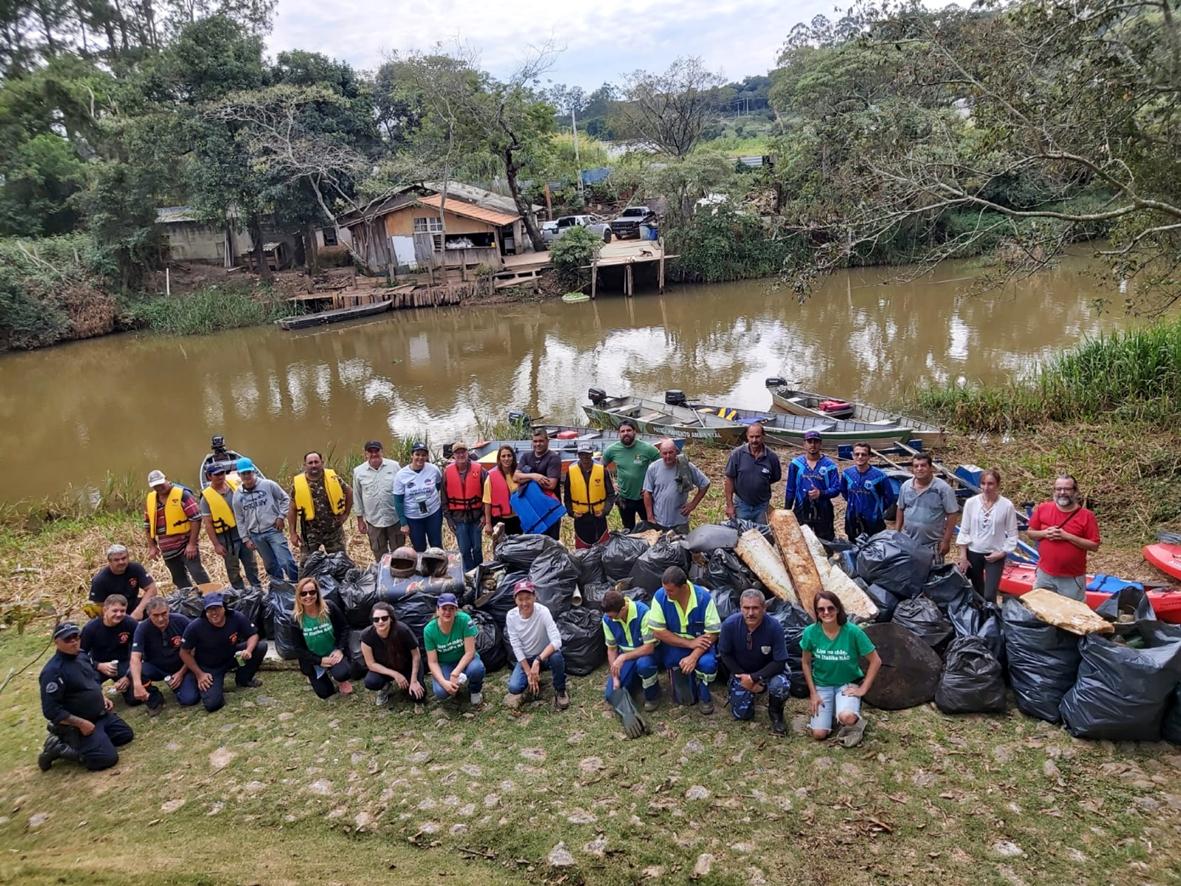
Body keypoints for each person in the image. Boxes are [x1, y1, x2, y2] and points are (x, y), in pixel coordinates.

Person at [37, 621, 134, 772]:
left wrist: (102, 697)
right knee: (107, 759)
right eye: (68, 639)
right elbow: (51, 710)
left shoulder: (82, 655)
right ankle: (60, 747)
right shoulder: (53, 672)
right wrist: (81, 724)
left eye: (76, 637)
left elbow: (92, 681)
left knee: (125, 735)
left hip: (100, 715)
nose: (74, 642)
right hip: (79, 724)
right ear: (57, 642)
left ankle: (96, 741)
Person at [800, 590, 882, 746]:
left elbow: (876, 661)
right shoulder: (810, 633)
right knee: (819, 734)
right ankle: (832, 710)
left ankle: (850, 714)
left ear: (838, 609)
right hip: (822, 686)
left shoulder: (852, 632)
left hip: (846, 685)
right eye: (821, 609)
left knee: (847, 718)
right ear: (816, 612)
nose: (826, 612)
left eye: (830, 608)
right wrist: (813, 693)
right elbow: (805, 663)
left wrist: (863, 689)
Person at [644, 566, 721, 714]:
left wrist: (693, 656)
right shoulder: (660, 597)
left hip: (702, 646)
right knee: (673, 664)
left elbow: (713, 633)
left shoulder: (703, 598)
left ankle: (704, 695)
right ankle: (683, 688)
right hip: (677, 645)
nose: (666, 593)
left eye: (670, 591)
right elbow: (658, 632)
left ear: (684, 587)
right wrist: (689, 643)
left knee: (707, 664)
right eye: (664, 589)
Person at [179, 593, 267, 713]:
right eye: (209, 610)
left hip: (231, 656)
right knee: (212, 705)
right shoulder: (195, 627)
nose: (214, 613)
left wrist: (248, 650)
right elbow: (184, 653)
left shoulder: (236, 616)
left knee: (260, 647)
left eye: (217, 608)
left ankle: (244, 679)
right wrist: (200, 674)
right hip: (210, 667)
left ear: (224, 608)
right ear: (205, 612)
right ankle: (199, 683)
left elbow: (253, 634)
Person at [717, 589, 790, 735]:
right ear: (740, 607)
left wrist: (754, 678)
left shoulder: (774, 627)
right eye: (746, 608)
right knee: (742, 715)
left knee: (780, 685)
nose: (750, 613)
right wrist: (742, 676)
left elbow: (780, 661)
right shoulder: (729, 625)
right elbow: (724, 654)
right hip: (741, 673)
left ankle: (776, 713)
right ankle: (752, 691)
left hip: (768, 672)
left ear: (764, 608)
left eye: (755, 608)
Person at [1026, 474, 1101, 601]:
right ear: (1054, 490)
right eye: (1058, 489)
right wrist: (1045, 533)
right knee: (1040, 612)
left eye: (1067, 489)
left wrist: (1067, 536)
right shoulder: (1043, 508)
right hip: (1044, 575)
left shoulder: (1087, 516)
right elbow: (1030, 533)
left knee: (1071, 616)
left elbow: (1094, 546)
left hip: (1071, 578)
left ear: (1075, 491)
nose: (1062, 492)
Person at [955, 468, 1019, 602]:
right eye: (983, 483)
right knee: (978, 592)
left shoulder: (1006, 505)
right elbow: (964, 529)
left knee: (990, 594)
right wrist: (963, 556)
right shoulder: (971, 503)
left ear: (997, 484)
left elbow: (1013, 534)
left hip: (995, 554)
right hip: (974, 552)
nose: (986, 487)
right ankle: (981, 620)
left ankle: (992, 619)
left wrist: (1002, 552)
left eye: (990, 484)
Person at [80, 594, 153, 708]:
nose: (119, 614)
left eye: (122, 611)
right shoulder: (91, 628)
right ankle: (98, 697)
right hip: (98, 665)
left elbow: (140, 651)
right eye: (115, 611)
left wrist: (128, 675)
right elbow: (79, 654)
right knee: (88, 695)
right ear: (105, 610)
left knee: (134, 699)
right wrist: (98, 665)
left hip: (123, 663)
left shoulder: (130, 623)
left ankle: (123, 686)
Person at [505, 580, 568, 710]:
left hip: (544, 656)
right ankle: (533, 677)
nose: (524, 603)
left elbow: (557, 640)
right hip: (527, 658)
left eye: (528, 598)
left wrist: (538, 660)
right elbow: (516, 646)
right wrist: (528, 671)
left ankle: (560, 690)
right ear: (515, 600)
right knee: (514, 687)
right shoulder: (511, 616)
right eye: (520, 599)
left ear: (534, 597)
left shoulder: (543, 611)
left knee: (556, 656)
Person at [233, 458, 299, 582]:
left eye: (249, 472)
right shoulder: (238, 495)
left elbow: (286, 499)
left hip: (273, 530)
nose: (247, 476)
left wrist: (281, 516)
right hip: (255, 535)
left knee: (286, 561)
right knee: (270, 565)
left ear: (254, 472)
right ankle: (280, 589)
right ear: (239, 475)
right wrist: (245, 538)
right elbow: (239, 518)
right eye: (243, 473)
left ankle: (297, 584)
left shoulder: (268, 485)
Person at [144, 469, 211, 588]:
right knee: (178, 578)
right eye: (156, 486)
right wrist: (152, 546)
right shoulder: (151, 500)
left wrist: (192, 544)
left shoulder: (183, 495)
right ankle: (189, 600)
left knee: (197, 573)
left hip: (185, 545)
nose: (159, 487)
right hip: (167, 549)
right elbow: (148, 525)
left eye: (161, 484)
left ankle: (212, 598)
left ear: (166, 479)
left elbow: (195, 518)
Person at [130, 597, 199, 710]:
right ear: (149, 614)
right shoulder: (142, 628)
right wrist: (137, 684)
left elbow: (194, 649)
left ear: (169, 610)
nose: (161, 619)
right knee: (134, 671)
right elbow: (135, 657)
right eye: (156, 615)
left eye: (164, 614)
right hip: (157, 667)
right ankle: (154, 699)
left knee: (189, 700)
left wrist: (181, 673)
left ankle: (186, 683)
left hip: (183, 666)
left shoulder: (181, 621)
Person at [291, 577, 355, 699]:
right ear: (298, 596)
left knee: (343, 674)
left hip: (333, 653)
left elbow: (345, 628)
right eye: (303, 593)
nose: (308, 596)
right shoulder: (295, 619)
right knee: (325, 693)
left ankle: (340, 678)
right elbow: (298, 648)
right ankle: (316, 674)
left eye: (312, 592)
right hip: (314, 659)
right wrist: (319, 660)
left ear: (317, 593)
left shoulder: (329, 607)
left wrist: (339, 649)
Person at [199, 463, 260, 590]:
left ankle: (257, 588)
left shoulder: (234, 487)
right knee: (233, 569)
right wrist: (216, 544)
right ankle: (239, 591)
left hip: (243, 534)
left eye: (222, 473)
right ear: (209, 476)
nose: (221, 476)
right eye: (217, 474)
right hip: (226, 539)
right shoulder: (206, 498)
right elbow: (208, 524)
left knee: (251, 564)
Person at [289, 451, 353, 564]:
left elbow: (349, 492)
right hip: (310, 532)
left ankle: (341, 581)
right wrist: (293, 533)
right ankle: (308, 581)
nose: (313, 465)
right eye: (310, 463)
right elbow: (292, 509)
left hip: (334, 531)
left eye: (316, 462)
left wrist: (346, 514)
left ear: (322, 463)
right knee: (306, 564)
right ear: (305, 465)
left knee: (340, 562)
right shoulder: (298, 484)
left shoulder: (333, 478)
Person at [600, 589, 659, 710]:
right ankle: (636, 680)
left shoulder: (643, 613)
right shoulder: (607, 619)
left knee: (644, 665)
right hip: (628, 658)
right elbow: (611, 649)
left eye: (612, 616)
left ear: (622, 610)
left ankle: (652, 695)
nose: (610, 619)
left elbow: (649, 648)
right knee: (611, 694)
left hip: (646, 654)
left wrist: (623, 657)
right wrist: (615, 676)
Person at [423, 593, 485, 705]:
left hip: (466, 659)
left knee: (477, 669)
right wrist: (443, 682)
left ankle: (475, 690)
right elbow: (432, 662)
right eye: (444, 608)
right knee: (441, 692)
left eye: (451, 609)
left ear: (456, 610)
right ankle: (454, 686)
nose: (447, 612)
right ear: (437, 610)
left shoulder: (465, 620)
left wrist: (455, 673)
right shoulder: (429, 630)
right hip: (445, 663)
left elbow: (470, 652)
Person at [897, 453, 960, 564]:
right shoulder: (906, 486)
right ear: (912, 469)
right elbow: (900, 508)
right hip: (908, 541)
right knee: (909, 574)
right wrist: (897, 533)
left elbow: (952, 514)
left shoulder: (943, 489)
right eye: (916, 466)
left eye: (923, 465)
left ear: (931, 468)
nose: (919, 469)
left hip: (933, 544)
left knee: (934, 575)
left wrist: (946, 541)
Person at [360, 602, 424, 706]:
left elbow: (416, 655)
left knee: (418, 696)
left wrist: (414, 680)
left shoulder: (403, 630)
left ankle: (410, 682)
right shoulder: (366, 636)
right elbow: (371, 664)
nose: (380, 622)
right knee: (371, 682)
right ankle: (385, 687)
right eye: (376, 619)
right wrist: (395, 674)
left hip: (407, 665)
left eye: (384, 618)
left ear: (391, 618)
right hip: (386, 667)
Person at [642, 439, 710, 534]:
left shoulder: (685, 466)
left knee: (682, 547)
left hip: (680, 522)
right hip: (659, 521)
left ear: (676, 452)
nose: (668, 456)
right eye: (664, 453)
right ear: (660, 453)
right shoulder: (653, 468)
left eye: (671, 452)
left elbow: (705, 484)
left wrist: (692, 505)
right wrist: (650, 517)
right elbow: (647, 493)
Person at [603, 421, 661, 531]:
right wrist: (611, 484)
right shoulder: (612, 450)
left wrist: (652, 486)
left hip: (644, 497)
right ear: (619, 434)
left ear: (635, 432)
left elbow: (661, 466)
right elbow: (600, 467)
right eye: (622, 431)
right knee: (628, 529)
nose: (626, 433)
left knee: (651, 527)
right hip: (624, 498)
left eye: (629, 430)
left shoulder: (647, 448)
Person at [353, 440, 405, 563]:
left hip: (394, 519)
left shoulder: (395, 466)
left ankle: (401, 574)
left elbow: (403, 490)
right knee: (379, 554)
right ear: (365, 454)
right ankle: (383, 576)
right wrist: (360, 520)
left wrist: (405, 518)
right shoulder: (358, 471)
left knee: (399, 552)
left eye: (377, 451)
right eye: (370, 451)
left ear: (382, 452)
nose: (374, 454)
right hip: (373, 520)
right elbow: (357, 496)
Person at [785, 430, 841, 540]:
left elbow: (836, 489)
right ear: (804, 444)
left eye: (816, 442)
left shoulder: (830, 466)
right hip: (801, 507)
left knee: (826, 540)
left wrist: (821, 493)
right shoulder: (796, 464)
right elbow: (790, 488)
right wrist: (787, 510)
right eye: (809, 441)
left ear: (820, 444)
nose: (813, 445)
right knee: (801, 540)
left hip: (823, 509)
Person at [724, 423, 782, 525]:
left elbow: (775, 477)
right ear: (747, 436)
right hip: (742, 505)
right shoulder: (737, 454)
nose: (754, 440)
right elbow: (729, 479)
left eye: (758, 437)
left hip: (762, 506)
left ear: (763, 436)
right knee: (741, 535)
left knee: (762, 536)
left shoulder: (772, 457)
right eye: (751, 437)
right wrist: (730, 505)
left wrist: (759, 482)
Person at [442, 441, 486, 572]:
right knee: (464, 549)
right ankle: (469, 574)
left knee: (477, 548)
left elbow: (487, 494)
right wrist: (449, 519)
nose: (461, 455)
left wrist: (485, 515)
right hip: (458, 519)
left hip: (476, 517)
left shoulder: (480, 470)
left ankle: (480, 571)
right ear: (453, 455)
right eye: (457, 452)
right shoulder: (447, 473)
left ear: (468, 453)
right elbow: (443, 498)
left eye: (463, 451)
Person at [563, 443, 616, 548]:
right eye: (582, 454)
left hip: (599, 516)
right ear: (578, 455)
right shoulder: (571, 471)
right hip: (581, 517)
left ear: (591, 454)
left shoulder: (601, 470)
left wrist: (605, 510)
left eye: (587, 454)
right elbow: (567, 497)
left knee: (602, 546)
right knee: (583, 548)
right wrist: (571, 512)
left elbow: (611, 494)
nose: (585, 457)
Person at [840, 443, 896, 541]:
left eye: (863, 454)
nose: (860, 457)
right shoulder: (846, 473)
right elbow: (844, 492)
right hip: (852, 517)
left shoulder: (880, 476)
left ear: (869, 456)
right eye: (857, 454)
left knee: (874, 548)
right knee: (853, 544)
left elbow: (889, 497)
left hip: (873, 519)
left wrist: (878, 508)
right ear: (853, 455)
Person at [394, 442, 444, 552]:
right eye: (417, 454)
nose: (420, 458)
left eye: (423, 455)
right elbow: (398, 501)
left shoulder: (433, 469)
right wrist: (403, 523)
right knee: (419, 547)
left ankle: (439, 567)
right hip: (413, 517)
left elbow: (438, 485)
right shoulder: (401, 475)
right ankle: (423, 567)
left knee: (436, 544)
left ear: (426, 456)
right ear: (412, 455)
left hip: (433, 514)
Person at [515, 429, 563, 540]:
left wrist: (525, 477)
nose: (538, 444)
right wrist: (534, 476)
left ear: (547, 441)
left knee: (551, 543)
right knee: (533, 543)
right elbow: (516, 477)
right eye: (535, 441)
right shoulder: (526, 457)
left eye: (541, 441)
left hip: (549, 508)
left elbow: (551, 484)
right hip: (530, 508)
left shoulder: (553, 458)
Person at [89, 544, 157, 620]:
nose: (121, 562)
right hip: (113, 610)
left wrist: (139, 610)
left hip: (133, 605)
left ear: (128, 557)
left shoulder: (136, 568)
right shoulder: (100, 579)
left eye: (124, 558)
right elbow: (98, 606)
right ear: (109, 561)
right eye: (117, 560)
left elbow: (152, 589)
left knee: (155, 604)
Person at [483, 445, 522, 538]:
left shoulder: (520, 474)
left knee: (518, 549)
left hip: (518, 519)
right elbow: (487, 502)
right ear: (499, 459)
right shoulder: (491, 477)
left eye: (509, 455)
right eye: (503, 456)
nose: (506, 458)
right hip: (499, 521)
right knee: (501, 549)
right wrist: (488, 523)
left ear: (513, 457)